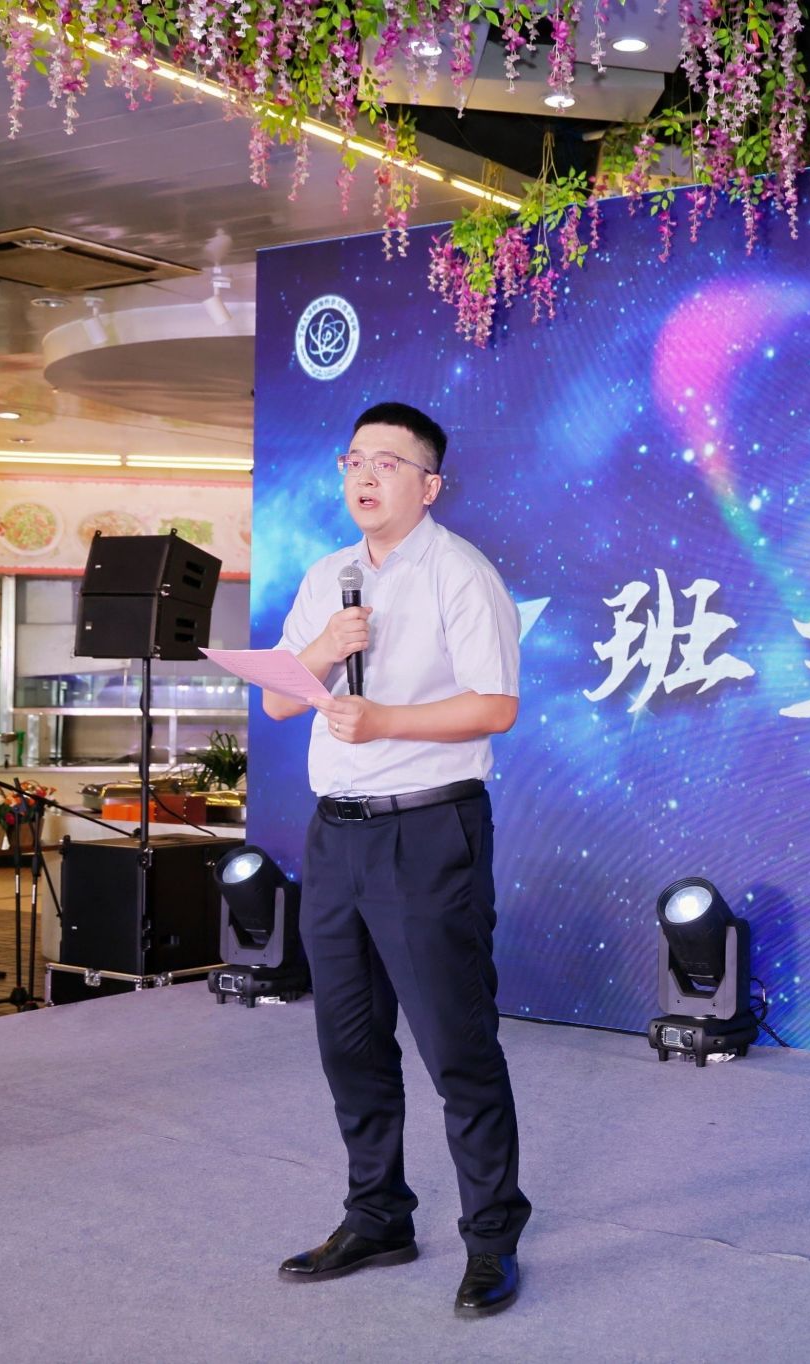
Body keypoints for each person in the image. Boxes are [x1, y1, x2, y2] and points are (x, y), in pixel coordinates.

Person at [262, 401, 530, 1316]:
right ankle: (378, 1214)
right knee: (348, 1041)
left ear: (430, 485)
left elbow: (496, 707)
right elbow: (281, 702)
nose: (364, 477)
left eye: (387, 462)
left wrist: (386, 722)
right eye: (353, 461)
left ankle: (492, 1238)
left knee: (457, 1044)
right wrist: (324, 649)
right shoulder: (328, 576)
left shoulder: (462, 573)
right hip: (336, 835)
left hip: (428, 831)